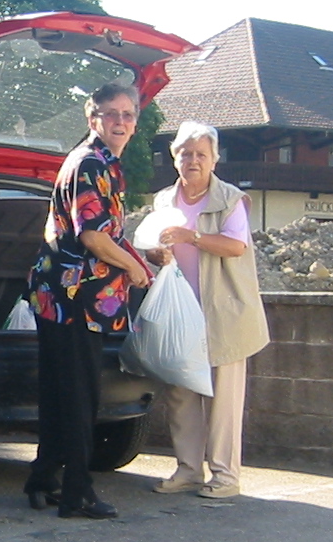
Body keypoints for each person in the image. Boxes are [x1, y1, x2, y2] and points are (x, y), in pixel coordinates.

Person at [24, 83, 155, 519]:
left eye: (128, 114)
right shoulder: (91, 164)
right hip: (74, 300)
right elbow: (94, 237)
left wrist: (138, 258)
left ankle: (43, 478)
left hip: (61, 298)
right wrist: (134, 270)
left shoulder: (102, 164)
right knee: (80, 397)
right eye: (111, 114)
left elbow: (109, 234)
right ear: (92, 117)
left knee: (62, 393)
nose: (121, 122)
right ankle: (77, 491)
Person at [149, 120, 269, 499]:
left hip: (224, 311)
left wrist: (192, 236)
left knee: (223, 402)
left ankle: (225, 477)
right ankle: (188, 470)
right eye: (186, 153)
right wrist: (155, 253)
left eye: (201, 154)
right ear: (175, 159)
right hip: (179, 311)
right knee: (181, 394)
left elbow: (236, 247)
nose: (193, 160)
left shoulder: (232, 199)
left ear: (215, 159)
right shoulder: (163, 200)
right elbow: (154, 246)